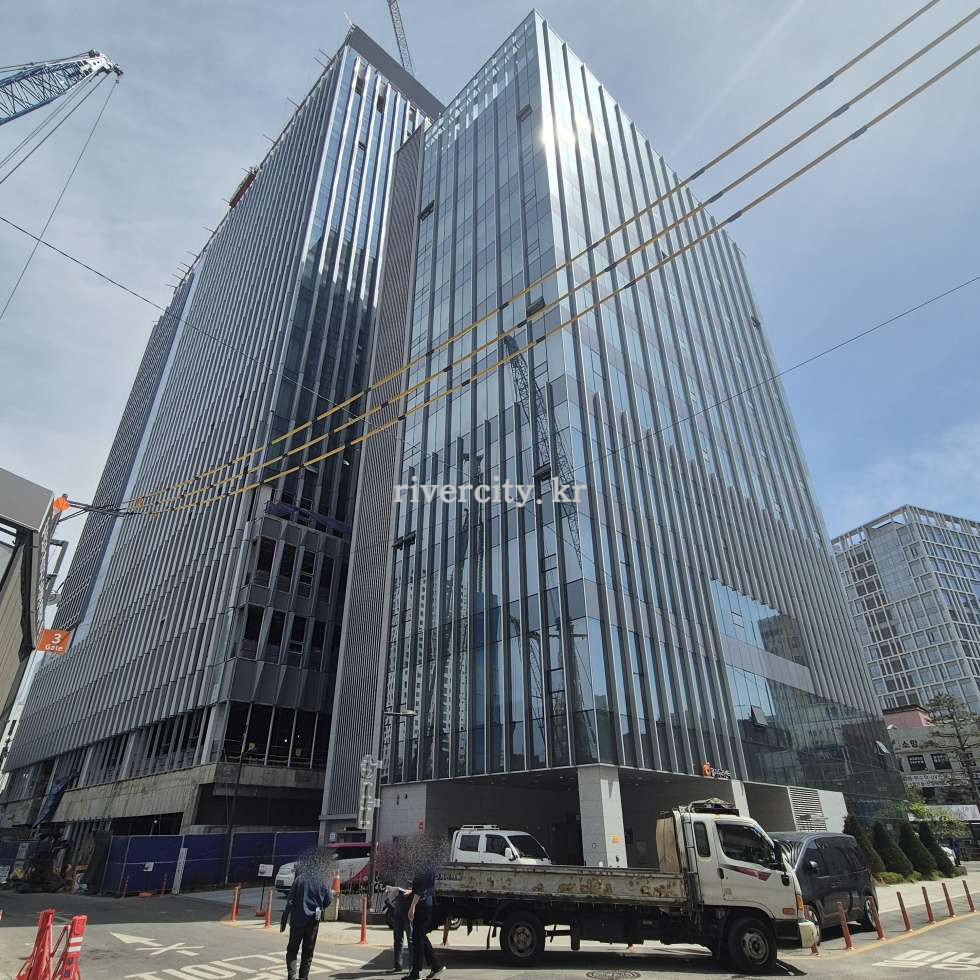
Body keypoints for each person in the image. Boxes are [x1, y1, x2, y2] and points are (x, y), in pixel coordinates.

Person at [280, 859, 332, 980]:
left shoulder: (299, 879)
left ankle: (292, 975)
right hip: (313, 922)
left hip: (297, 920)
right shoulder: (322, 881)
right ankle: (303, 977)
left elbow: (290, 901)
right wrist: (320, 907)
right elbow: (329, 900)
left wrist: (284, 919)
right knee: (308, 953)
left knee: (292, 950)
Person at [405, 864, 445, 979]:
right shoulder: (429, 866)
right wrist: (411, 892)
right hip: (426, 904)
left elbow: (420, 889)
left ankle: (416, 973)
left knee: (418, 939)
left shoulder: (423, 866)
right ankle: (434, 965)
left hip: (421, 906)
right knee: (420, 937)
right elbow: (423, 887)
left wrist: (412, 906)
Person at [384, 883, 413, 973]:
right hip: (398, 907)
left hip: (408, 906)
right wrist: (388, 889)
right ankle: (397, 965)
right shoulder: (397, 874)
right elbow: (391, 885)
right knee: (397, 938)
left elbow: (420, 888)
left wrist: (411, 891)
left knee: (411, 939)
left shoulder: (415, 875)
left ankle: (412, 967)